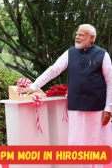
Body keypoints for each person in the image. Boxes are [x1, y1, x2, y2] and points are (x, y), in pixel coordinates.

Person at [17, 24, 112, 168]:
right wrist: (33, 87)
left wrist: (108, 108)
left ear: (92, 38)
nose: (77, 37)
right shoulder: (70, 53)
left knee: (96, 142)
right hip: (76, 106)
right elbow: (53, 70)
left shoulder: (102, 54)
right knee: (76, 144)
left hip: (97, 107)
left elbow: (110, 82)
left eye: (82, 35)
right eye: (77, 34)